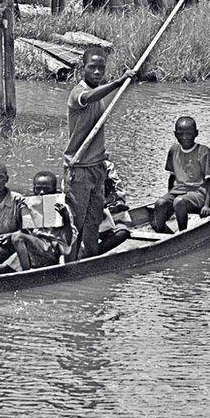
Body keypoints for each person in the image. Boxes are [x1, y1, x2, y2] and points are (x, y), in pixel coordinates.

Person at [64, 47, 138, 260]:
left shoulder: (101, 93)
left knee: (94, 219)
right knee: (75, 222)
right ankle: (70, 263)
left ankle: (90, 259)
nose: (97, 72)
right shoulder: (78, 93)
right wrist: (117, 82)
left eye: (101, 68)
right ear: (83, 68)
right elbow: (88, 96)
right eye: (92, 67)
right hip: (79, 168)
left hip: (97, 167)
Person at [0, 171, 76, 275]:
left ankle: (27, 274)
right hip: (34, 249)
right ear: (33, 189)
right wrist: (20, 213)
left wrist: (65, 217)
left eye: (47, 189)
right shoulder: (31, 205)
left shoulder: (62, 208)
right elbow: (27, 232)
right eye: (38, 189)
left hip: (51, 253)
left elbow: (69, 241)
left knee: (18, 237)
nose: (42, 192)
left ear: (54, 190)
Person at [152, 117, 210, 233]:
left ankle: (182, 233)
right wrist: (168, 199)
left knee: (179, 202)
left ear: (196, 133)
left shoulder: (204, 151)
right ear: (175, 134)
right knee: (160, 203)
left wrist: (207, 205)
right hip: (178, 192)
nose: (185, 137)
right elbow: (172, 177)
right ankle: (161, 233)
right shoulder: (173, 150)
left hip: (198, 193)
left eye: (189, 134)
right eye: (181, 134)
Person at [98, 160, 131, 254]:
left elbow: (120, 193)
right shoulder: (72, 169)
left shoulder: (106, 166)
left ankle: (92, 256)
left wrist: (105, 202)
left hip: (106, 219)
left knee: (122, 233)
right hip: (83, 223)